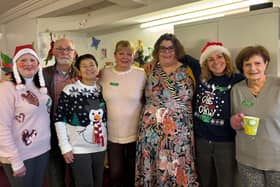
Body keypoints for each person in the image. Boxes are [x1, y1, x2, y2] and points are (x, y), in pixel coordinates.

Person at [135, 33, 199, 186]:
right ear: (157, 50)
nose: (167, 52)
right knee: (153, 165)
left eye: (171, 48)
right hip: (151, 131)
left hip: (180, 131)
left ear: (177, 50)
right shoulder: (148, 70)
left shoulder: (189, 70)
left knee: (177, 164)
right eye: (163, 48)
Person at [0, 44, 52, 187]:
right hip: (20, 153)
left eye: (32, 60)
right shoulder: (6, 88)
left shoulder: (40, 87)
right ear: (15, 64)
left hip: (42, 149)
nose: (28, 64)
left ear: (38, 64)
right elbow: (2, 127)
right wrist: (15, 160)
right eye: (23, 60)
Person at [193, 42, 243, 187]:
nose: (216, 62)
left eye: (219, 56)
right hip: (201, 140)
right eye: (211, 59)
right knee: (204, 179)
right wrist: (154, 61)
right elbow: (181, 56)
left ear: (226, 58)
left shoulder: (237, 79)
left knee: (225, 180)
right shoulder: (200, 76)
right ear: (206, 63)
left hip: (225, 141)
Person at [230, 45, 280, 187]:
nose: (253, 68)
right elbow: (233, 120)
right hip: (247, 159)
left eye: (257, 63)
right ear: (242, 68)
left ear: (266, 64)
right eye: (247, 64)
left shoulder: (278, 84)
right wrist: (234, 122)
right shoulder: (237, 89)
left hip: (276, 160)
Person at [55, 54, 107, 187]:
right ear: (78, 70)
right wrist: (65, 147)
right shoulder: (69, 90)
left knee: (98, 182)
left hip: (100, 147)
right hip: (78, 148)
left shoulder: (102, 89)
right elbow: (60, 119)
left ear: (97, 67)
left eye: (92, 65)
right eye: (84, 66)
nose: (89, 68)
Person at [99, 40, 146, 187]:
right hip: (112, 133)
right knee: (115, 173)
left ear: (133, 56)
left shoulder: (141, 74)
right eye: (121, 53)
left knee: (133, 172)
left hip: (136, 133)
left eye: (129, 54)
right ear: (114, 55)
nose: (125, 57)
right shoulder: (105, 73)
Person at [43, 38, 77, 187]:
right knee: (55, 179)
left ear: (74, 53)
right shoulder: (43, 74)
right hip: (51, 131)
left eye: (68, 49)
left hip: (77, 132)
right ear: (53, 52)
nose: (65, 52)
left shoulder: (84, 73)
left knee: (78, 177)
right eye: (60, 48)